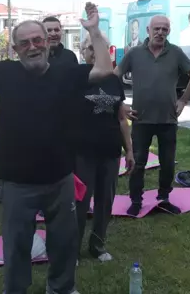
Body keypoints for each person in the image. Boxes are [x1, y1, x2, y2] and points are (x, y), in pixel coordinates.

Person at [0, 2, 113, 294]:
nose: (32, 46)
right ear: (15, 49)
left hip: (60, 177)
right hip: (17, 180)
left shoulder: (66, 71)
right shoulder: (5, 73)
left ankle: (61, 288)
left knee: (64, 240)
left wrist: (95, 31)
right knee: (17, 243)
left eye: (37, 40)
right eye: (25, 43)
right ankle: (16, 289)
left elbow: (104, 69)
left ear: (46, 42)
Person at [115, 15, 190, 217]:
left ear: (168, 31)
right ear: (148, 30)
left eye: (165, 29)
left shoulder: (176, 53)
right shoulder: (134, 53)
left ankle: (164, 198)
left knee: (168, 162)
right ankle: (136, 200)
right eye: (157, 29)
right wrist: (121, 104)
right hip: (140, 119)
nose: (161, 32)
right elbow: (114, 75)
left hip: (168, 120)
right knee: (137, 162)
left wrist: (183, 101)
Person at [73, 36, 134, 263]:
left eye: (98, 48)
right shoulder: (77, 78)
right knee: (79, 203)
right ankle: (74, 249)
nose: (94, 52)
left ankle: (97, 245)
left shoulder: (113, 80)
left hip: (110, 152)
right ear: (82, 52)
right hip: (83, 153)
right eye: (89, 48)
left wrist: (129, 150)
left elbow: (121, 119)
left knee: (105, 202)